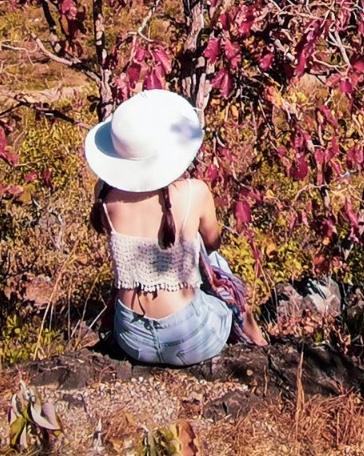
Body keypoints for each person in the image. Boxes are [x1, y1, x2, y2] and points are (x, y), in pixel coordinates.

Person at [83, 89, 268, 365]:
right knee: (215, 260)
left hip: (131, 336)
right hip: (191, 336)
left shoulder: (105, 195)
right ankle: (256, 335)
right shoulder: (195, 192)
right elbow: (212, 243)